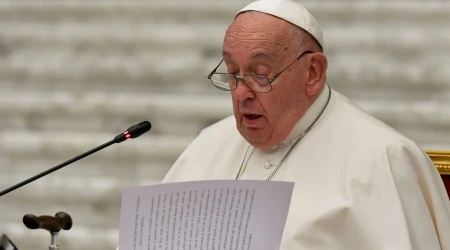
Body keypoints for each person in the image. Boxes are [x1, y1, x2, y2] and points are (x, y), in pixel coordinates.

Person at [159, 0, 450, 249]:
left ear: (312, 73)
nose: (240, 92)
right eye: (233, 72)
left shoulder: (383, 159)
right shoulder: (208, 145)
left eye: (260, 75)